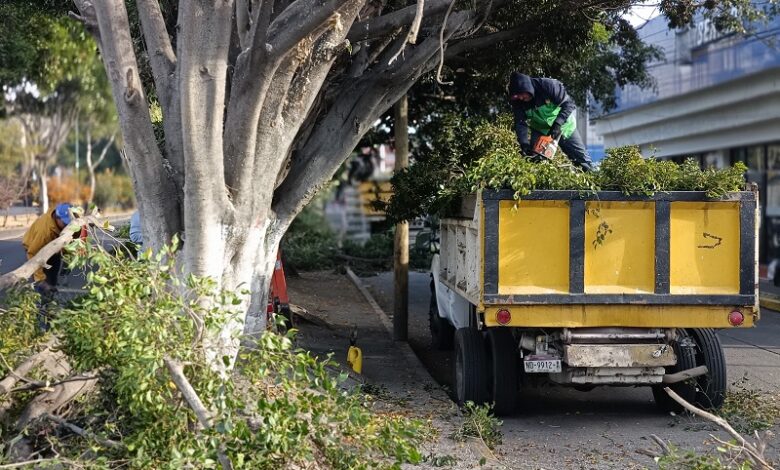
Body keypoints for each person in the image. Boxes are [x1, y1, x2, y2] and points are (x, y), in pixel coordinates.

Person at [508, 72, 593, 171]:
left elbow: (568, 104)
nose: (521, 98)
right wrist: (524, 143)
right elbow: (520, 122)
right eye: (518, 96)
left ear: (527, 88)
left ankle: (591, 175)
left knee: (582, 160)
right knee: (536, 161)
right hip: (540, 130)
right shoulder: (518, 102)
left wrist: (558, 124)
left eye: (521, 94)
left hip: (564, 126)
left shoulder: (548, 85)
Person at [22, 202, 73, 330]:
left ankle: (50, 319)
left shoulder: (65, 220)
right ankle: (40, 326)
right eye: (65, 223)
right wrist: (40, 279)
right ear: (57, 218)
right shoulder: (44, 232)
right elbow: (33, 255)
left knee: (51, 284)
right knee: (42, 288)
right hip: (36, 250)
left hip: (53, 249)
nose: (67, 225)